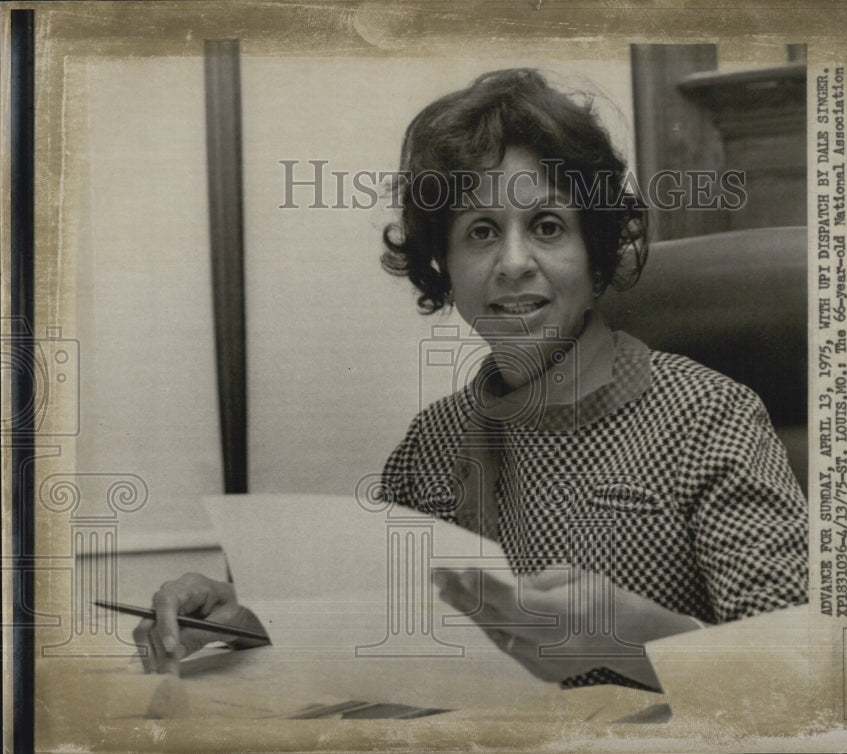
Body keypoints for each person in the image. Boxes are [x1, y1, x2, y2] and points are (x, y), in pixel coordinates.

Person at [135, 68, 808, 690]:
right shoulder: (432, 445)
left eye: (547, 226)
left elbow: (804, 674)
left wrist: (632, 640)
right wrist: (237, 623)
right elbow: (375, 625)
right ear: (445, 267)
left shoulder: (708, 417)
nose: (514, 263)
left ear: (596, 253)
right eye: (482, 231)